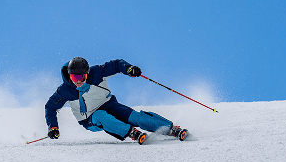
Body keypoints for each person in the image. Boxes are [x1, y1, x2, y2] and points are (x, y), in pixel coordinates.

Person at [45, 57, 187, 144]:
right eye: (74, 78)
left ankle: (170, 129)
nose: (78, 82)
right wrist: (53, 127)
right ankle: (131, 133)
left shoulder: (96, 73)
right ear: (69, 76)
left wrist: (129, 69)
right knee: (102, 116)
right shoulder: (64, 90)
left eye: (81, 77)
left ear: (87, 74)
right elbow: (50, 107)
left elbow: (117, 64)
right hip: (89, 118)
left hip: (109, 104)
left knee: (135, 116)